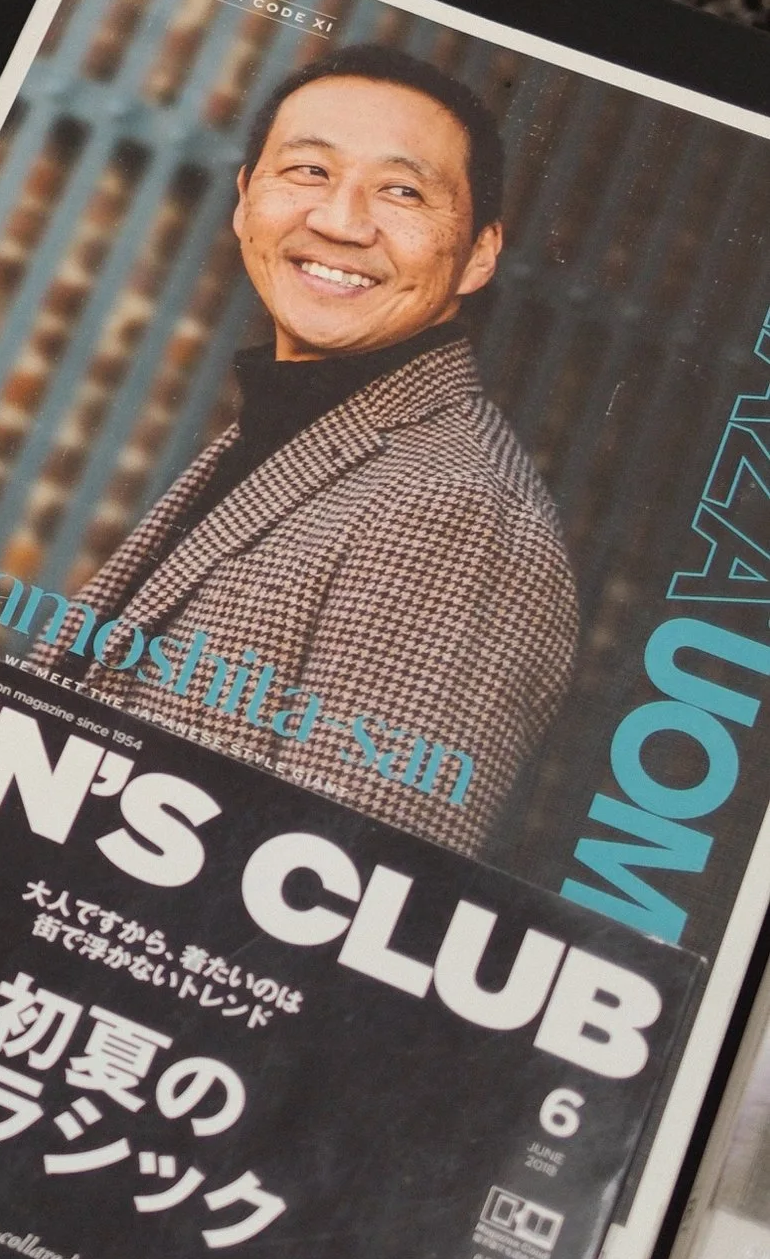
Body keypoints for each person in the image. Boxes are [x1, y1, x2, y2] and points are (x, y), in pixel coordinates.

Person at [76, 49, 577, 844]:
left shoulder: (459, 509)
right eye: (308, 171)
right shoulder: (290, 426)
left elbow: (332, 891)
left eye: (402, 190)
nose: (341, 222)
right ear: (245, 201)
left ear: (479, 253)